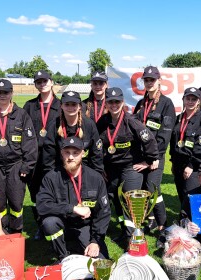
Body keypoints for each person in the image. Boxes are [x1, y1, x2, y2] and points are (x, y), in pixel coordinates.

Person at [96, 87, 159, 242]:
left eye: (117, 101)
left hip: (130, 168)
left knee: (129, 200)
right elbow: (97, 144)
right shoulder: (102, 122)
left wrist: (148, 161)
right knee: (115, 199)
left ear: (122, 102)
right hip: (111, 168)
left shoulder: (131, 121)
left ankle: (133, 238)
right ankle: (124, 231)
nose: (114, 105)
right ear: (106, 103)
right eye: (110, 102)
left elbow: (149, 139)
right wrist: (101, 167)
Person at [0, 79, 38, 233]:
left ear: (11, 93)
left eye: (6, 92)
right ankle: (1, 229)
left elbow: (30, 143)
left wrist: (27, 165)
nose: (2, 95)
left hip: (15, 166)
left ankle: (16, 231)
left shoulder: (21, 115)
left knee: (16, 203)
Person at [36, 137, 110, 260]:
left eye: (75, 153)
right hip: (62, 223)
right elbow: (42, 206)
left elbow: (104, 212)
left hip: (84, 227)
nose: (71, 157)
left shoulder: (95, 178)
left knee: (100, 261)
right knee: (49, 223)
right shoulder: (51, 177)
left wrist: (95, 241)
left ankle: (82, 244)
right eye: (67, 152)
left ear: (83, 153)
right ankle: (63, 257)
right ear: (61, 153)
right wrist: (72, 208)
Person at [133, 66, 176, 232]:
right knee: (142, 189)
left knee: (152, 188)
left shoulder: (166, 104)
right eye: (146, 80)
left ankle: (162, 224)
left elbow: (164, 135)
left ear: (159, 81)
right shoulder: (141, 103)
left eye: (152, 79)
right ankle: (149, 218)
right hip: (139, 155)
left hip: (155, 157)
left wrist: (152, 158)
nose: (149, 82)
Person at [23, 70, 61, 239]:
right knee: (36, 193)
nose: (42, 84)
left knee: (55, 192)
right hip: (34, 158)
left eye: (45, 80)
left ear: (52, 82)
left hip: (54, 158)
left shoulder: (62, 105)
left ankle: (57, 223)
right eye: (38, 82)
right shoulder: (29, 106)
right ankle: (41, 224)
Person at [42, 91, 103, 174]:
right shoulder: (54, 125)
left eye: (74, 104)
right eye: (67, 104)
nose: (70, 108)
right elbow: (49, 156)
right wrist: (52, 178)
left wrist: (97, 175)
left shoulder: (89, 125)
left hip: (84, 171)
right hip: (60, 171)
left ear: (80, 106)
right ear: (61, 106)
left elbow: (96, 154)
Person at [170, 87, 201, 205]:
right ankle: (184, 220)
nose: (190, 102)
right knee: (181, 194)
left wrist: (191, 165)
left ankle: (194, 221)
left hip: (192, 166)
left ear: (198, 101)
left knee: (191, 195)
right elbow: (173, 142)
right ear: (183, 99)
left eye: (194, 99)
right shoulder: (179, 118)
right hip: (178, 164)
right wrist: (173, 162)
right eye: (188, 98)